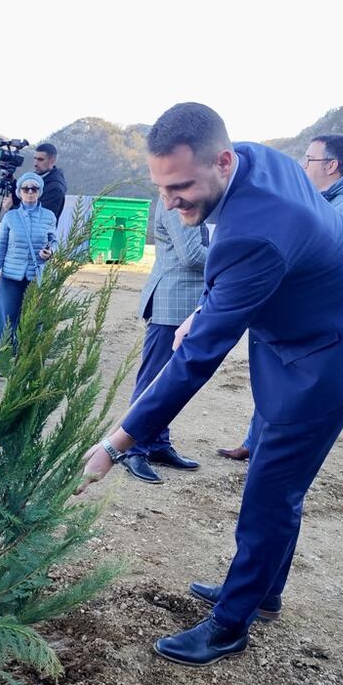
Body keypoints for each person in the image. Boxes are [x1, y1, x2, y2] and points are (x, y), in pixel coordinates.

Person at [77, 103, 343, 666]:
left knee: (273, 482)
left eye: (181, 186)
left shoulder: (255, 234)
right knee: (275, 475)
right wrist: (204, 309)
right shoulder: (253, 159)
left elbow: (195, 362)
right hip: (315, 317)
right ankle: (263, 591)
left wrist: (115, 445)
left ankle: (231, 623)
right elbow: (234, 288)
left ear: (222, 163)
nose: (170, 202)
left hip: (339, 344)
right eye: (161, 187)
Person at [218, 133, 343, 462]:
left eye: (309, 159)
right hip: (298, 310)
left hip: (320, 320)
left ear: (331, 166)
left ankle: (267, 452)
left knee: (290, 392)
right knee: (272, 380)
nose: (303, 165)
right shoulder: (324, 197)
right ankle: (254, 442)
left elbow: (326, 261)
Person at [119, 198, 206, 484]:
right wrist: (232, 258)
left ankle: (157, 443)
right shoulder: (176, 201)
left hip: (181, 303)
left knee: (168, 381)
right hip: (171, 303)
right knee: (152, 381)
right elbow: (192, 255)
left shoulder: (186, 198)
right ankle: (133, 449)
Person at [0, 172, 58, 376]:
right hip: (11, 277)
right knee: (6, 320)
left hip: (35, 277)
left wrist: (50, 252)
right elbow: (0, 248)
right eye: (26, 188)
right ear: (19, 192)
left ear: (40, 191)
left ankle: (26, 362)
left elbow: (54, 241)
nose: (30, 192)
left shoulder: (49, 217)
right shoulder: (10, 217)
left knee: (33, 321)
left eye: (34, 188)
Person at [3, 142, 68, 219]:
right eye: (35, 158)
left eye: (40, 160)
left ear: (52, 161)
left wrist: (12, 209)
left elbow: (40, 219)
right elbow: (23, 200)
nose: (35, 164)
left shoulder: (55, 189)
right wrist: (13, 183)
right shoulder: (37, 177)